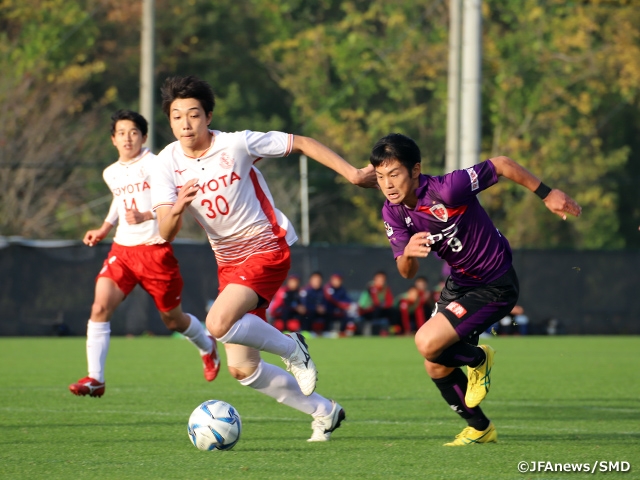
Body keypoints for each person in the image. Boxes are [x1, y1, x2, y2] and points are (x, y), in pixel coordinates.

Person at [151, 75, 376, 441]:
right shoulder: (165, 163)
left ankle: (293, 347)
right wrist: (177, 206)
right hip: (228, 263)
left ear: (208, 116)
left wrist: (351, 173)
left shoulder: (236, 143)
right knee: (243, 369)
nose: (186, 123)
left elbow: (300, 142)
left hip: (265, 247)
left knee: (217, 322)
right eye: (177, 117)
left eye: (193, 114)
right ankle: (324, 411)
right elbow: (165, 231)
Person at [370, 133, 581, 446]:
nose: (387, 184)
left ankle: (479, 359)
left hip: (495, 283)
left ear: (415, 170)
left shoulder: (447, 188)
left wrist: (547, 194)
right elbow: (405, 270)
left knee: (426, 342)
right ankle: (480, 427)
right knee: (435, 362)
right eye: (380, 176)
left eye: (394, 174)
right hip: (461, 282)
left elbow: (503, 164)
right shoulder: (393, 211)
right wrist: (410, 255)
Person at [69, 110, 219, 398]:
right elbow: (119, 198)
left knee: (172, 320)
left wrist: (146, 215)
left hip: (155, 251)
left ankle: (206, 345)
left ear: (144, 137)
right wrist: (103, 228)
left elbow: (175, 202)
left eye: (134, 132)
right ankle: (96, 378)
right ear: (113, 139)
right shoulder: (110, 172)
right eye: (122, 132)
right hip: (122, 251)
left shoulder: (157, 164)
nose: (128, 137)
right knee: (100, 307)